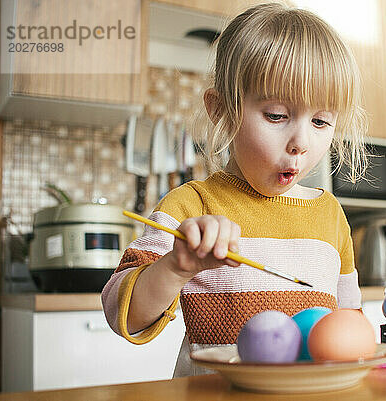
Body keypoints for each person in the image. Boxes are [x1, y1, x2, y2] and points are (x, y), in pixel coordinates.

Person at [101, 2, 369, 376]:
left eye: (321, 121)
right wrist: (179, 265)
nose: (301, 142)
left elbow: (351, 328)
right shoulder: (191, 207)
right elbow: (122, 315)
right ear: (222, 110)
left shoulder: (331, 216)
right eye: (276, 115)